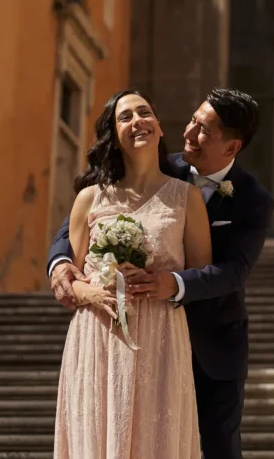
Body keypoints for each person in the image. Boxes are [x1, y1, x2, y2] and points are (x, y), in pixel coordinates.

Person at [48, 88, 274, 459]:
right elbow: (70, 233)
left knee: (214, 448)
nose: (187, 133)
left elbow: (233, 270)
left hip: (206, 341)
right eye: (191, 121)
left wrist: (173, 284)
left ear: (231, 148)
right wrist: (63, 270)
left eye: (203, 130)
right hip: (110, 336)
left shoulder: (253, 200)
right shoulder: (153, 162)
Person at [52, 89, 210, 458]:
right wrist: (89, 293)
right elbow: (68, 276)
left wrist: (165, 284)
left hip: (161, 336)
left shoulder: (187, 198)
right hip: (97, 334)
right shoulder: (89, 198)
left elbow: (202, 277)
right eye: (125, 117)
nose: (138, 120)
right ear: (114, 136)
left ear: (158, 127)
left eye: (145, 113)